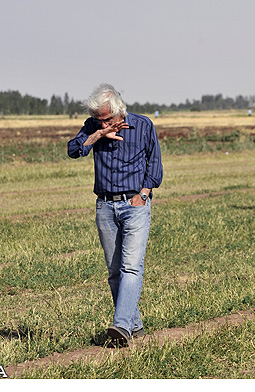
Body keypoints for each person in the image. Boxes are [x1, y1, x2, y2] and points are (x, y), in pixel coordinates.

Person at [67, 84, 163, 345]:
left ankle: (121, 326)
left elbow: (155, 167)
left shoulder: (143, 126)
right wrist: (97, 134)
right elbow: (74, 150)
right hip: (105, 207)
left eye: (107, 119)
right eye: (99, 119)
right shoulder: (93, 126)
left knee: (131, 267)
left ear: (120, 111)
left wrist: (142, 196)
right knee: (114, 272)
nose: (103, 122)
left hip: (135, 206)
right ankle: (136, 326)